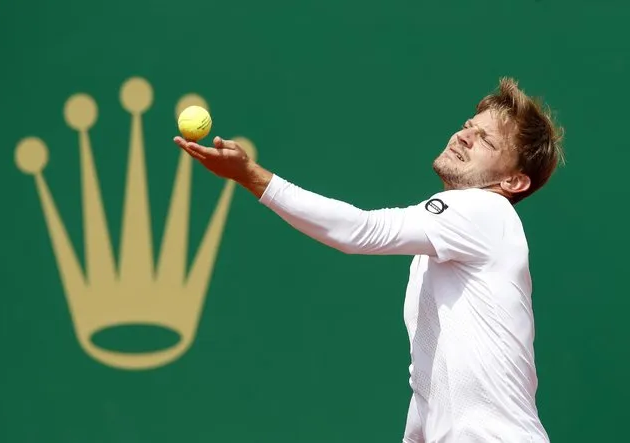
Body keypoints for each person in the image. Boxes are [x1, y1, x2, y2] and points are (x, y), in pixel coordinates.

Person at [173, 77, 564, 443]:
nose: (463, 136)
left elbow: (358, 230)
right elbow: (428, 382)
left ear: (513, 182)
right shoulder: (437, 253)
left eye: (485, 141)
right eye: (468, 125)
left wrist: (250, 175)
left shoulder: (485, 211)